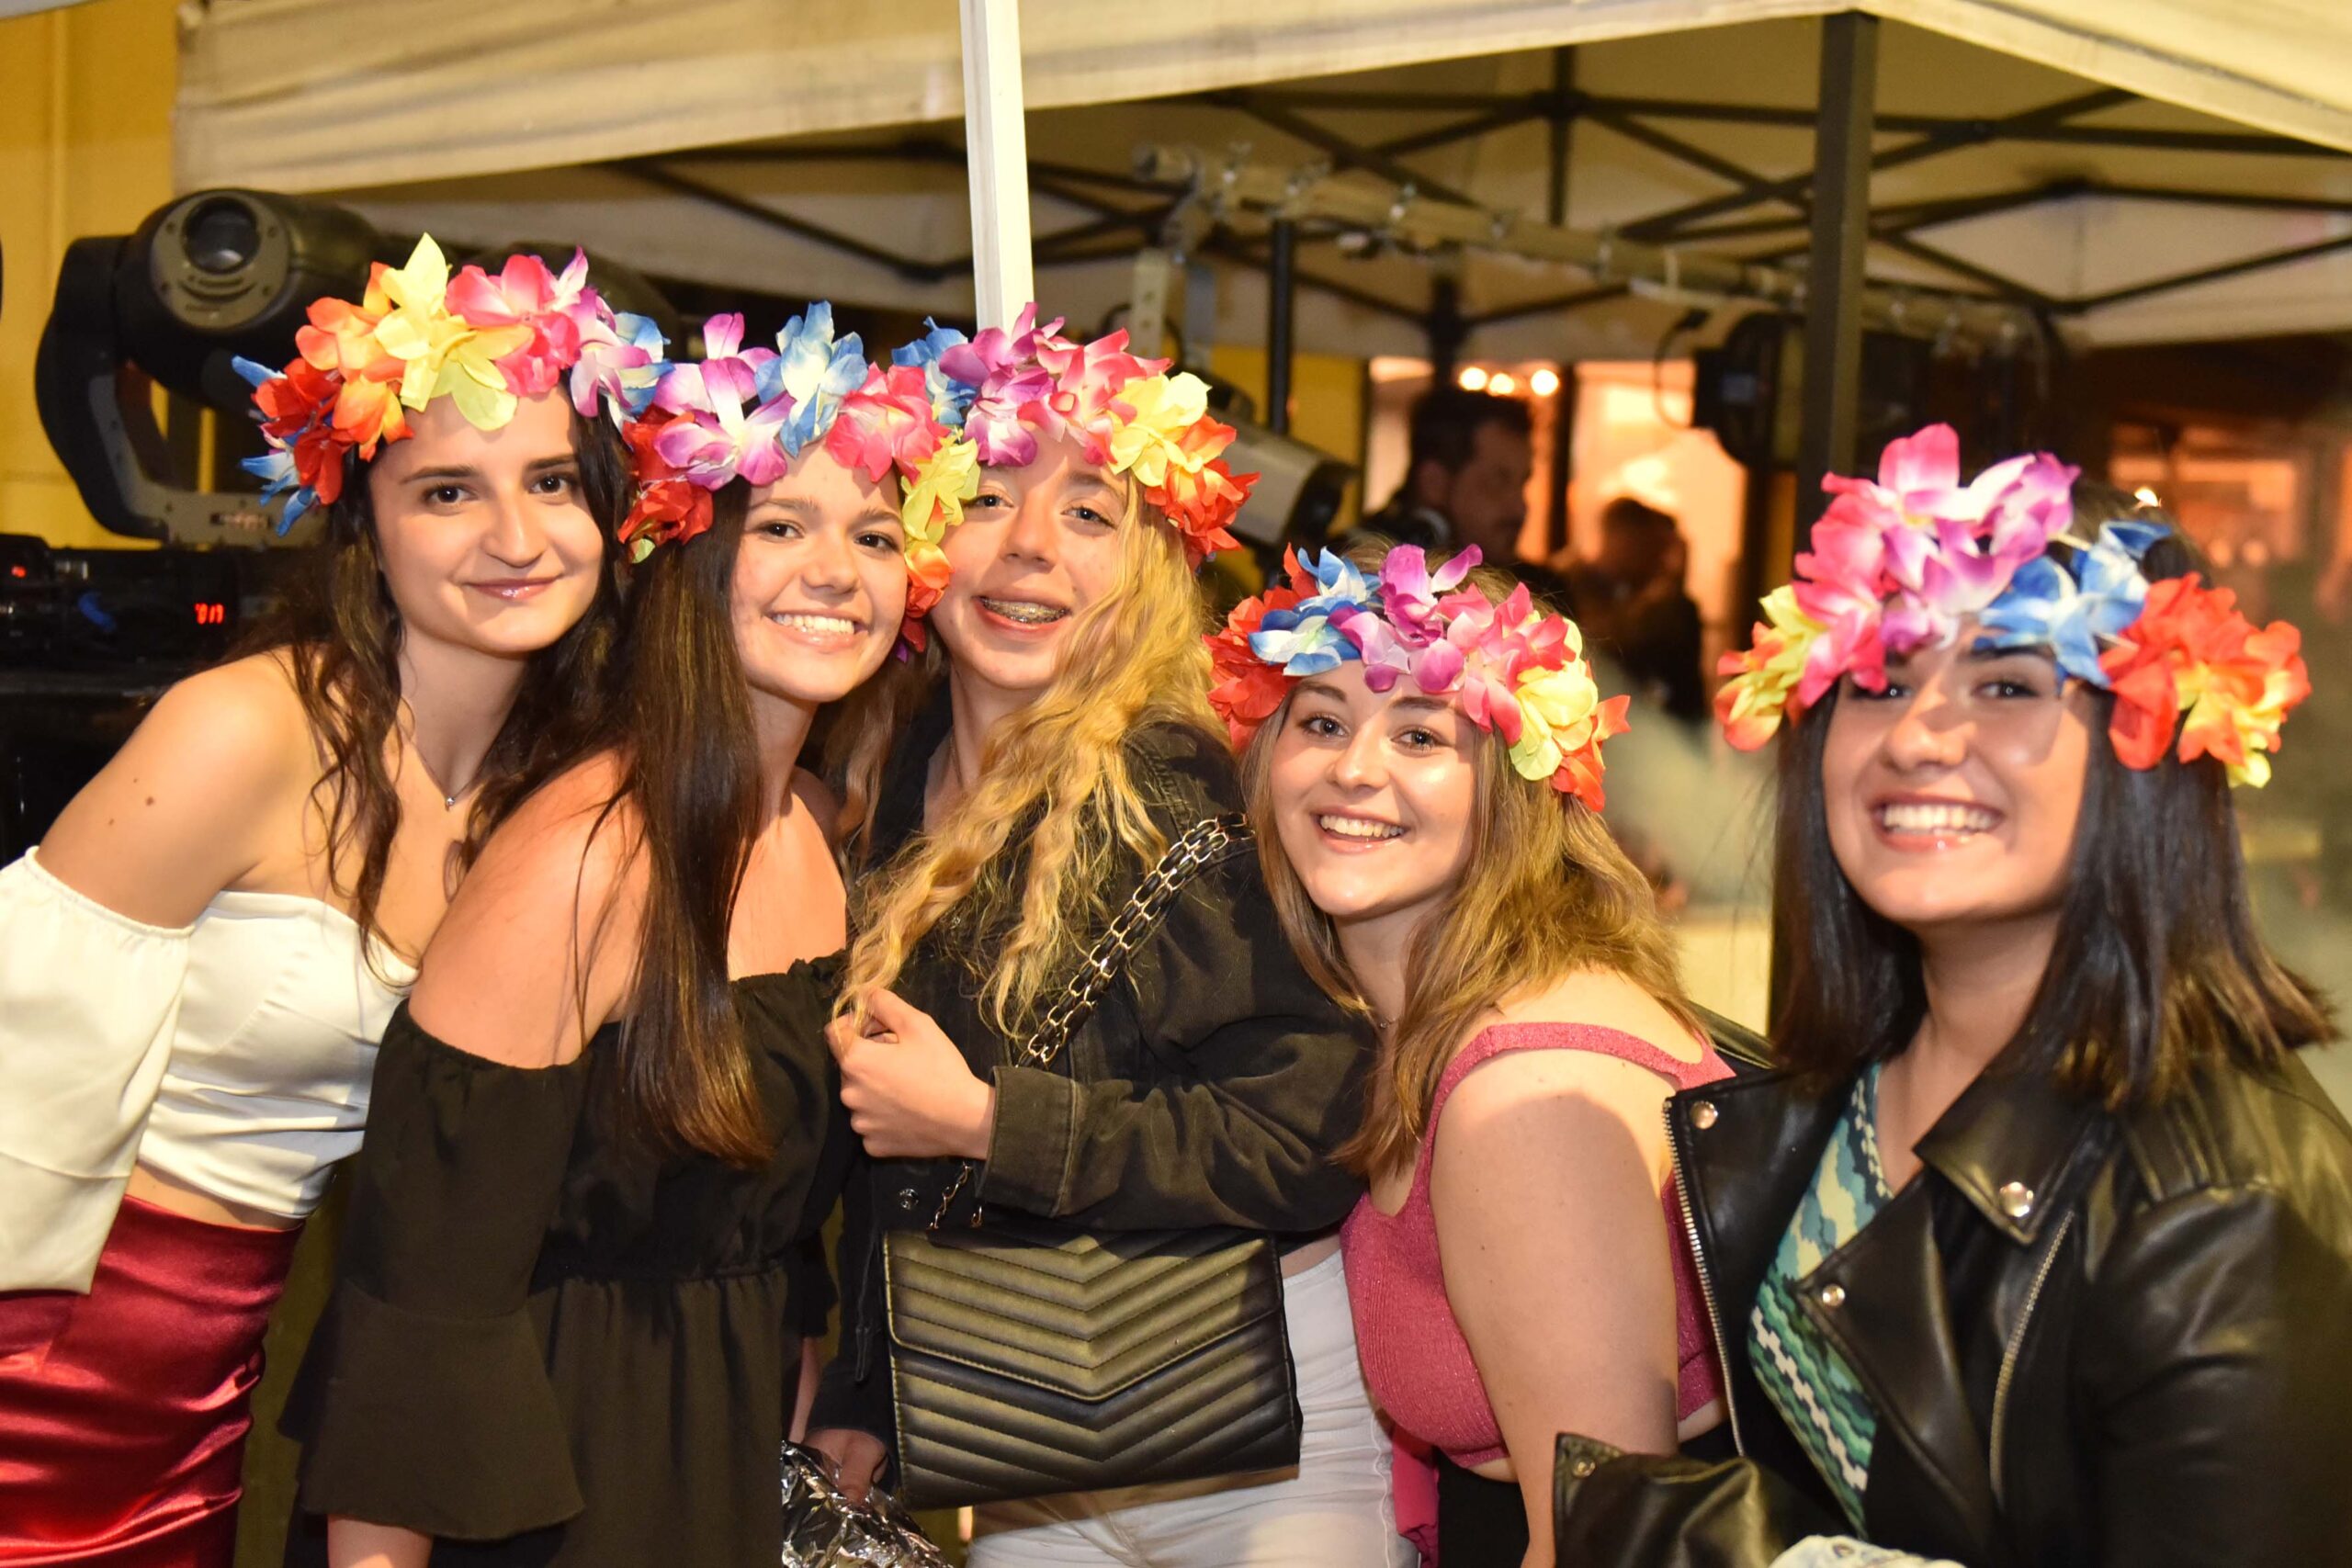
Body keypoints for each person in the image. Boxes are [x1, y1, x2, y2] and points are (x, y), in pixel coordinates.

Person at [1553, 427, 2352, 1568]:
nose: (1920, 736)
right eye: (1880, 682)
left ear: (2149, 743)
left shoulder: (2225, 1207)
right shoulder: (1835, 1088)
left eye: (2007, 682)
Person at [0, 237, 637, 1567]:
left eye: (553, 482)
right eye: (449, 491)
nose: (517, 538)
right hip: (39, 1347)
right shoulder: (242, 733)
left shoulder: (557, 793)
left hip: (211, 1392)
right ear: (364, 520)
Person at [279, 306, 950, 1567]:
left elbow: (764, 1242)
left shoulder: (817, 828)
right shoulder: (584, 857)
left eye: (874, 536)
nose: (837, 572)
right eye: (781, 527)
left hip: (716, 1470)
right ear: (684, 553)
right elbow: (415, 1315)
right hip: (545, 1491)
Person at [804, 307, 1392, 1567]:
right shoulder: (888, 774)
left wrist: (988, 1122)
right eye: (987, 497)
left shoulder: (1178, 793)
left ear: (1152, 566)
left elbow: (1316, 1131)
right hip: (1035, 1431)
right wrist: (865, 1391)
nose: (1028, 547)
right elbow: (880, 1158)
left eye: (1088, 512)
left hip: (1261, 1441)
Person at [1206, 539, 1739, 1566]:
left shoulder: (1525, 1093)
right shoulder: (1413, 1016)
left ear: (1513, 783)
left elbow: (1598, 1540)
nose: (1353, 770)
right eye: (1322, 721)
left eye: (1420, 733)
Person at [1364, 388, 1567, 601]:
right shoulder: (1361, 575)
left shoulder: (1541, 590)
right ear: (1434, 483)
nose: (1520, 508)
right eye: (1498, 482)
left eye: (1523, 484)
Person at [1567, 496, 1707, 723]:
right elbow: (1606, 642)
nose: (1656, 558)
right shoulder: (1571, 585)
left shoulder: (1661, 605)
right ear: (1621, 539)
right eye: (1649, 546)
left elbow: (1687, 696)